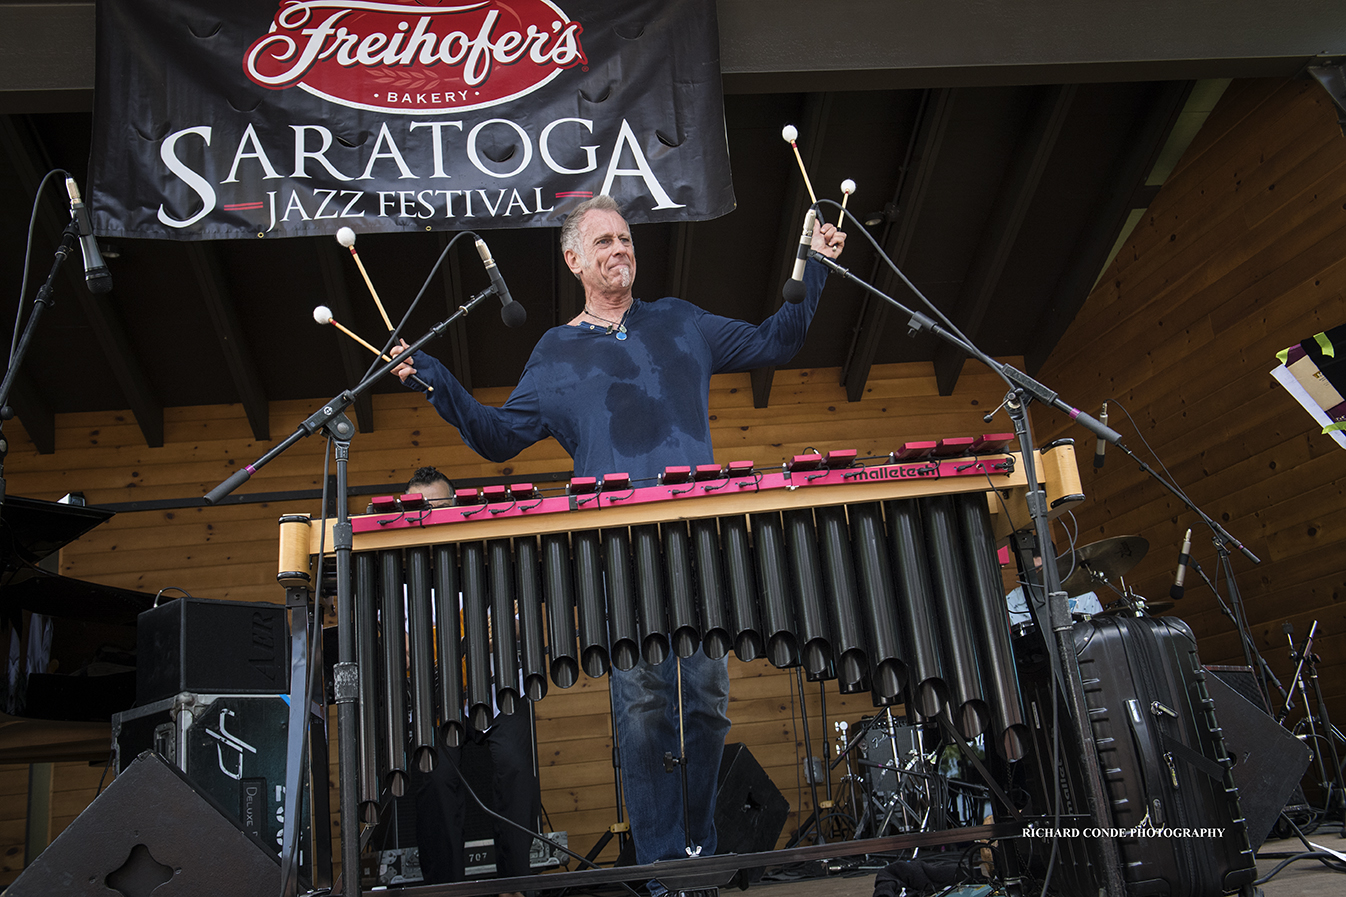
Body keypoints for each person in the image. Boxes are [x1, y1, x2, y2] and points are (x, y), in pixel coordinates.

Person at [392, 196, 845, 897]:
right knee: (642, 712)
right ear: (574, 259)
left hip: (700, 542)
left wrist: (814, 264)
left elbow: (775, 341)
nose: (619, 249)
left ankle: (698, 852)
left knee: (704, 700)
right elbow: (496, 437)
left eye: (625, 239)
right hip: (617, 555)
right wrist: (438, 381)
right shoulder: (554, 353)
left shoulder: (681, 321)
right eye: (603, 241)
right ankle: (667, 870)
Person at [406, 467, 539, 897]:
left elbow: (524, 625)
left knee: (516, 766)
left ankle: (514, 883)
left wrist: (501, 626)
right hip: (438, 697)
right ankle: (446, 888)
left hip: (498, 688)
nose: (428, 514)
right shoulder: (398, 572)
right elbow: (397, 646)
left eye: (438, 506)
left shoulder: (489, 556)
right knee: (435, 777)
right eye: (418, 508)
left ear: (458, 507)